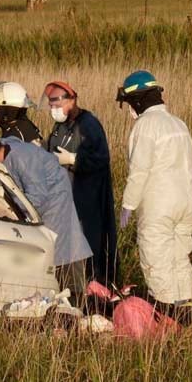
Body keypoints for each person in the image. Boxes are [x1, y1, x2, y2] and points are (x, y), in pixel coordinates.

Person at [0, 129, 93, 300]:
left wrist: (10, 209)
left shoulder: (23, 158)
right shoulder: (5, 149)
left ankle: (73, 297)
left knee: (60, 249)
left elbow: (38, 196)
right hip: (42, 203)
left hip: (54, 204)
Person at [115, 70, 192, 308]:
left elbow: (139, 172)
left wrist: (128, 206)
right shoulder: (178, 123)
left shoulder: (146, 125)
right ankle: (187, 312)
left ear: (138, 100)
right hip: (187, 203)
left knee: (157, 263)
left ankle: (168, 315)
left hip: (159, 207)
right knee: (180, 261)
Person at [41, 81, 118, 286]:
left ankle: (94, 289)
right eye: (51, 105)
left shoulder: (89, 124)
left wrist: (74, 160)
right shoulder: (60, 127)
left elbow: (101, 159)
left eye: (58, 105)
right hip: (63, 200)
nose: (54, 110)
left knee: (88, 244)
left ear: (72, 101)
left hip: (86, 198)